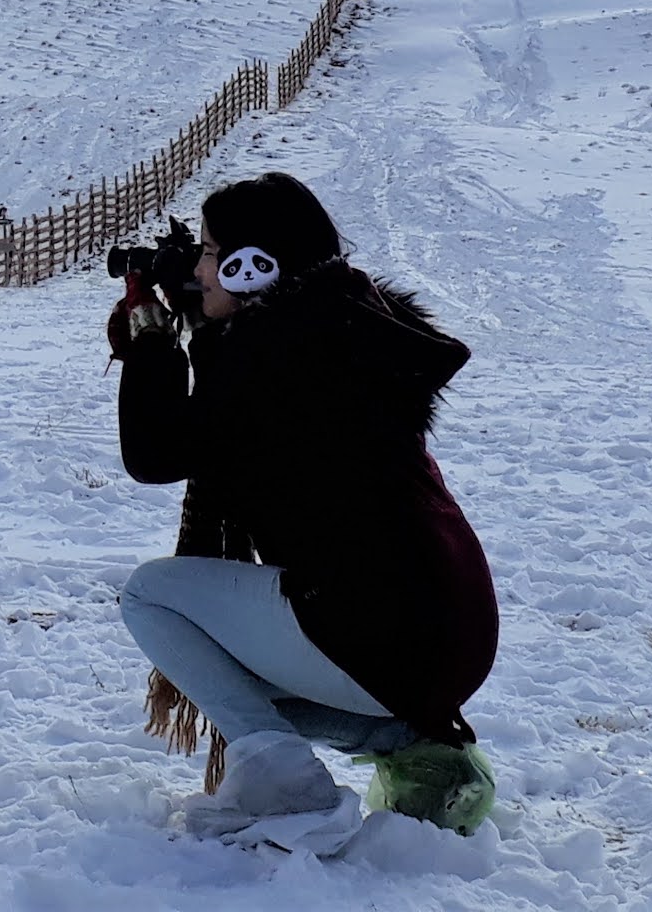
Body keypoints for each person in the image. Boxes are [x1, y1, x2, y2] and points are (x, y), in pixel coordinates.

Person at [107, 171, 498, 842]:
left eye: (208, 253)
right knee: (232, 680)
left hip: (386, 633)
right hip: (446, 632)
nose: (198, 269)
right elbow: (236, 413)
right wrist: (203, 314)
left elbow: (159, 451)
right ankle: (413, 742)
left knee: (152, 597)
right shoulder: (342, 331)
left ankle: (287, 789)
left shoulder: (284, 357)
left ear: (252, 269)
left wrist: (150, 341)